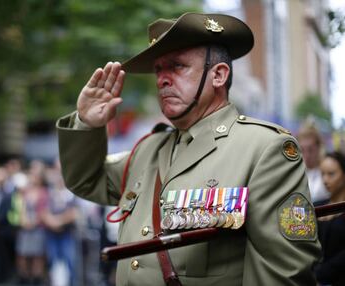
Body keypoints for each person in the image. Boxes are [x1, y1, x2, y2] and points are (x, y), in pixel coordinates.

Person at [56, 12, 321, 285]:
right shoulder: (149, 148)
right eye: (159, 69)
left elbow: (283, 271)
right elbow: (86, 180)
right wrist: (86, 123)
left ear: (218, 75)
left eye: (177, 66)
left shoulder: (265, 148)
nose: (162, 79)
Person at [315, 152, 345, 286]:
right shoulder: (316, 206)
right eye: (322, 174)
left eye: (331, 174)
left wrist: (320, 273)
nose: (325, 180)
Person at [297, 123, 330, 205]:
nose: (307, 155)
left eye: (311, 150)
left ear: (319, 147)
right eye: (302, 150)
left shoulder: (328, 171)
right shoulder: (296, 172)